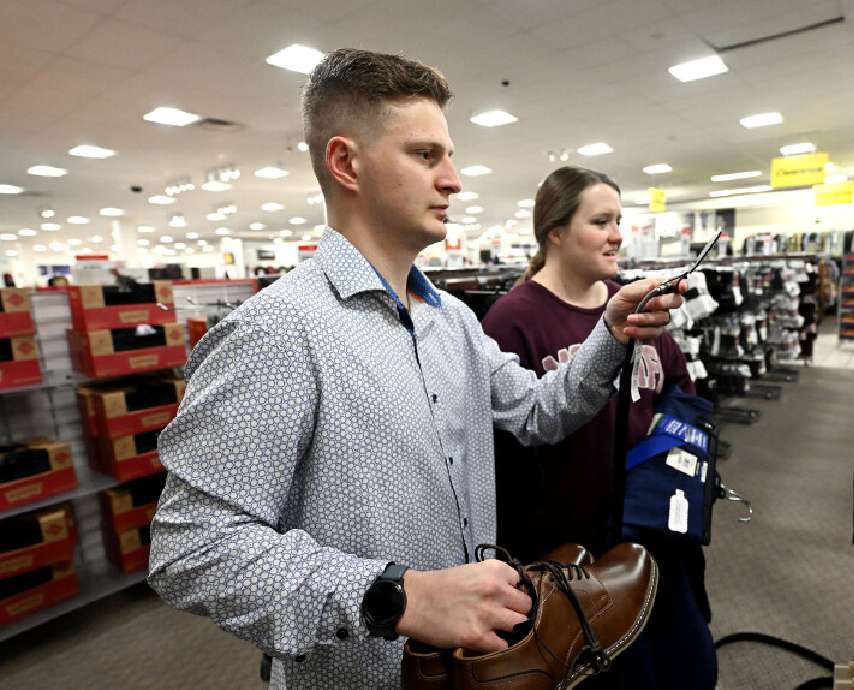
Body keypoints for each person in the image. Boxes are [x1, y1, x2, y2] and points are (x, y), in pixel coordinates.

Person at [146, 49, 683, 690]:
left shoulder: (452, 319)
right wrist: (397, 597)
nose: (453, 179)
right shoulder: (276, 331)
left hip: (472, 670)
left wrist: (609, 335)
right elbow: (192, 547)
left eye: (448, 156)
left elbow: (540, 413)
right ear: (346, 163)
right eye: (426, 156)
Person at [481, 166, 717, 689]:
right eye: (601, 221)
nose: (616, 235)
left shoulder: (633, 303)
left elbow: (680, 394)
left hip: (650, 540)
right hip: (565, 560)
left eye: (619, 220)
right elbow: (503, 446)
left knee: (677, 670)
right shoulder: (513, 319)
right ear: (556, 232)